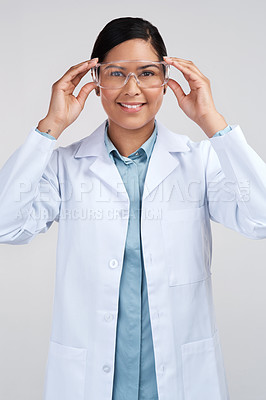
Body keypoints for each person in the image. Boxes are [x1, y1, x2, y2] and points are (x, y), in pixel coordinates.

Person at [0, 16, 266, 400]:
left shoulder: (198, 161)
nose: (132, 88)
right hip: (93, 383)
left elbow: (260, 217)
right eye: (115, 73)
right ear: (95, 83)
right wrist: (51, 126)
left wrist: (213, 123)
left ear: (165, 79)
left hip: (180, 382)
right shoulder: (64, 167)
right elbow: (6, 223)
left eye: (146, 72)